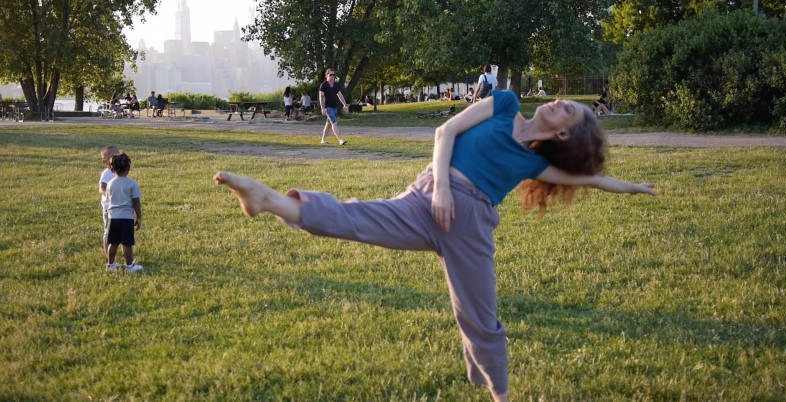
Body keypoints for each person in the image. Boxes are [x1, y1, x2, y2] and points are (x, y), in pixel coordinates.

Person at [214, 90, 656, 402]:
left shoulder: (535, 162)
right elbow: (445, 132)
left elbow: (592, 178)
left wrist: (634, 187)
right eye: (566, 102)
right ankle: (266, 198)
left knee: (478, 315)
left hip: (470, 225)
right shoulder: (504, 105)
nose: (561, 103)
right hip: (428, 196)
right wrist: (441, 189)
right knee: (353, 219)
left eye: (570, 112)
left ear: (564, 135)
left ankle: (499, 394)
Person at [105, 153, 144, 272]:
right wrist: (139, 217)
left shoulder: (110, 184)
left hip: (113, 218)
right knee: (127, 243)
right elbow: (136, 202)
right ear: (128, 168)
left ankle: (110, 264)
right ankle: (130, 266)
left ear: (113, 168)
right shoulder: (132, 183)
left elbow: (108, 199)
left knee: (113, 242)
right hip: (126, 218)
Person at [99, 146, 120, 262]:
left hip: (119, 206)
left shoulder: (119, 171)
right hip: (109, 207)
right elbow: (102, 188)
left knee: (117, 231)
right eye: (112, 156)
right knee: (108, 231)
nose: (115, 158)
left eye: (117, 155)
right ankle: (108, 256)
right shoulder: (106, 173)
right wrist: (109, 195)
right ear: (105, 161)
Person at [318, 68, 348, 145]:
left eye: (334, 75)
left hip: (335, 107)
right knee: (334, 123)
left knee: (328, 125)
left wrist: (345, 104)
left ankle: (323, 140)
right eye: (330, 75)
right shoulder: (324, 85)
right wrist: (322, 107)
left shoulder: (336, 85)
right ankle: (340, 140)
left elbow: (340, 95)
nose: (332, 76)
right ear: (326, 75)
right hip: (328, 108)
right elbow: (321, 97)